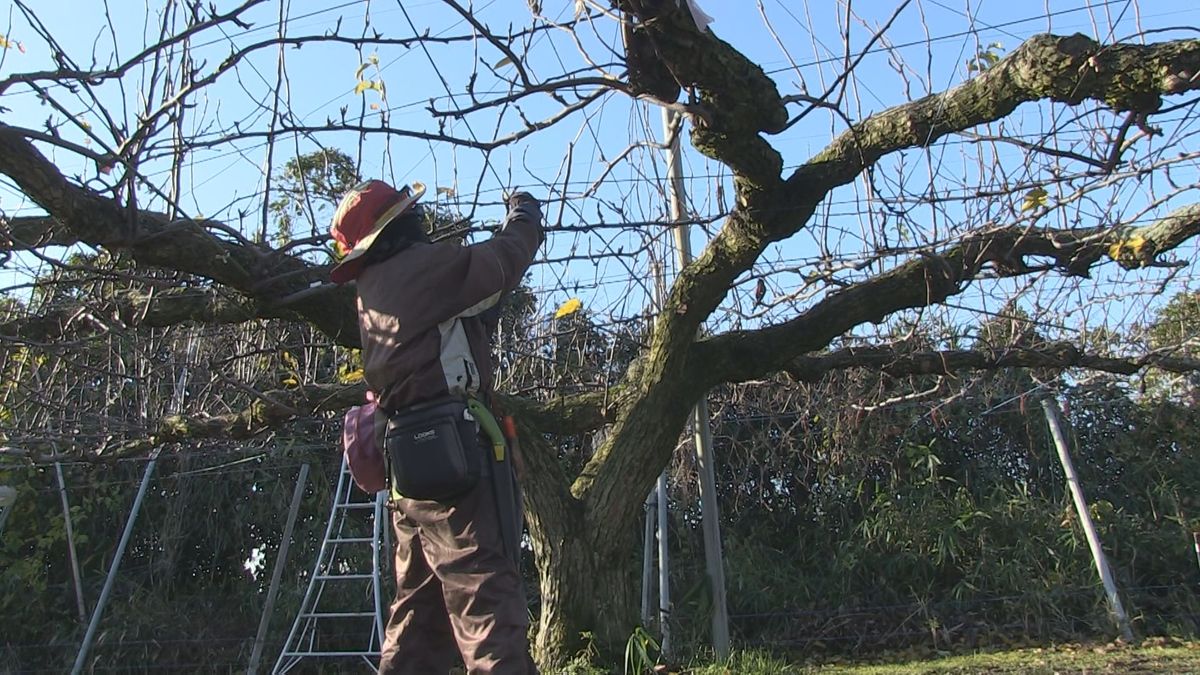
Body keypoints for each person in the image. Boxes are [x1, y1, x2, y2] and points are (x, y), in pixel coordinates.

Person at [329, 179, 544, 674]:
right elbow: (501, 262)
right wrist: (524, 216)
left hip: (408, 470)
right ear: (402, 225)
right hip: (456, 458)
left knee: (417, 620)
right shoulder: (421, 270)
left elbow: (458, 325)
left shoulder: (372, 291)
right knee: (486, 602)